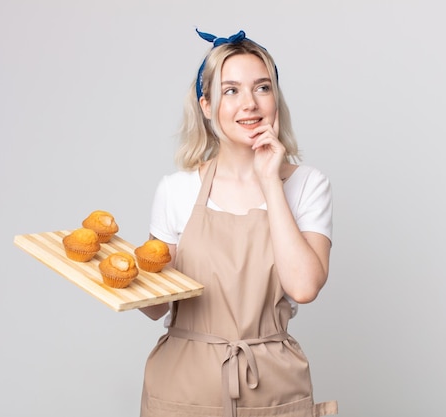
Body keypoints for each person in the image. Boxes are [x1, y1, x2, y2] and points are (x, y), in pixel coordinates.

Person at [139, 29, 337, 417]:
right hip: (182, 387)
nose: (249, 103)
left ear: (275, 99)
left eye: (262, 88)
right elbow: (153, 307)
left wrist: (269, 181)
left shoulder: (306, 185)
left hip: (272, 385)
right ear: (207, 105)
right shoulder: (176, 190)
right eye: (231, 91)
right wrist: (128, 273)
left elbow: (304, 286)